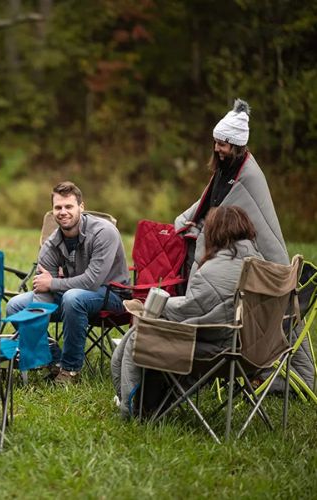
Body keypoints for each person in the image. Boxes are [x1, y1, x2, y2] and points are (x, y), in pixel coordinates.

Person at [112, 206, 262, 419]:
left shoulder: (214, 269)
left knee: (139, 336)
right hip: (253, 347)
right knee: (145, 330)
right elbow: (203, 304)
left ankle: (131, 410)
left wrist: (153, 307)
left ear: (214, 231)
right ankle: (151, 403)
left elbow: (188, 309)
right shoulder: (259, 262)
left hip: (220, 348)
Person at [6, 181, 130, 383]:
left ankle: (70, 370)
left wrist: (52, 283)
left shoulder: (104, 232)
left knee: (73, 298)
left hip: (112, 294)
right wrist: (36, 325)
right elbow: (43, 291)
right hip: (72, 294)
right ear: (53, 210)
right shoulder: (52, 244)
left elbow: (91, 281)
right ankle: (53, 360)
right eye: (58, 207)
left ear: (81, 207)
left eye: (69, 206)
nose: (63, 212)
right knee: (16, 305)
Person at [175, 98, 288, 279]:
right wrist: (194, 219)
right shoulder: (225, 166)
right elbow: (212, 200)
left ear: (236, 145)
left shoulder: (249, 175)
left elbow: (257, 222)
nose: (216, 148)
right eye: (215, 142)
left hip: (234, 245)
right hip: (218, 234)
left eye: (222, 144)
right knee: (187, 240)